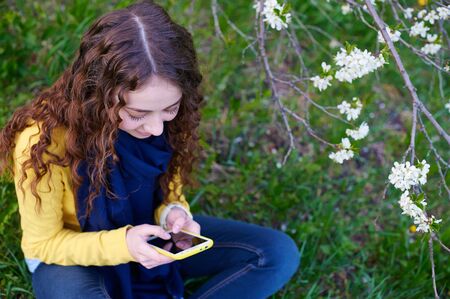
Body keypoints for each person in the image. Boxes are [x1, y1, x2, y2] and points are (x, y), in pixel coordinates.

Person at [0, 1, 300, 298]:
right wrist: (124, 245)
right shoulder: (43, 141)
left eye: (170, 109)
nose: (156, 128)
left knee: (276, 253)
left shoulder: (168, 121)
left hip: (150, 234)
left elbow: (168, 187)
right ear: (99, 93)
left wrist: (174, 212)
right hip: (71, 255)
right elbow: (43, 244)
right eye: (137, 114)